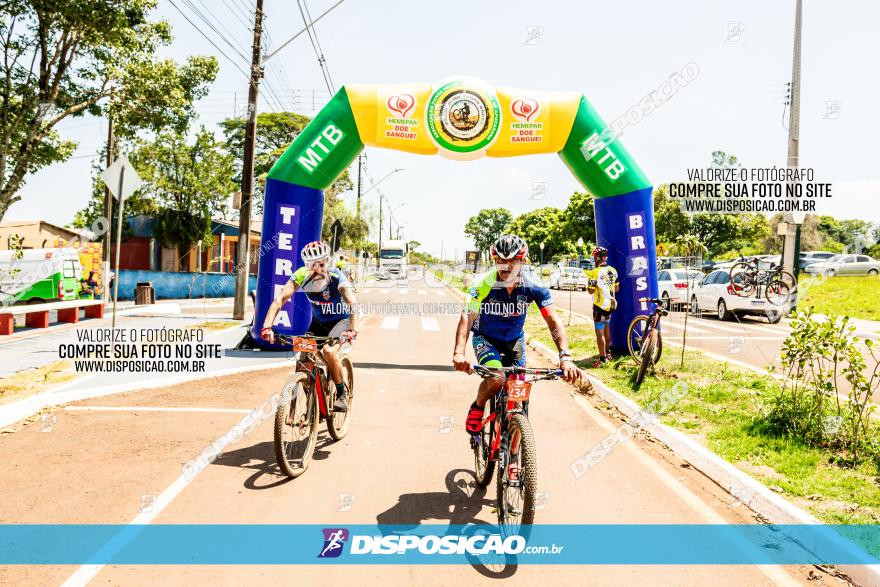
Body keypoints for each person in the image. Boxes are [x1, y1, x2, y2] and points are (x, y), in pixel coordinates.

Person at [452, 234, 582, 439]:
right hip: (486, 339)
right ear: (494, 261)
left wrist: (565, 357)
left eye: (513, 261)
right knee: (496, 380)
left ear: (523, 261)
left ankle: (514, 455)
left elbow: (553, 322)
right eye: (500, 261)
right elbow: (467, 318)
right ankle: (478, 406)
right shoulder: (483, 284)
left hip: (514, 341)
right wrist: (459, 352)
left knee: (518, 393)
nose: (506, 267)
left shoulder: (533, 285)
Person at [261, 240, 358, 412]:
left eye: (322, 263)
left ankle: (342, 394)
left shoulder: (336, 276)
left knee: (328, 352)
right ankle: (311, 395)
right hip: (319, 323)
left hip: (341, 322)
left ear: (327, 261)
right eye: (313, 265)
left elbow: (352, 303)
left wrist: (352, 329)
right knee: (304, 356)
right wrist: (267, 326)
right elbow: (280, 299)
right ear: (307, 265)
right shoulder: (300, 276)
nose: (318, 268)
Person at [585, 246, 619, 367]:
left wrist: (588, 283)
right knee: (607, 329)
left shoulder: (595, 272)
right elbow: (616, 288)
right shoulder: (613, 270)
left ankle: (602, 358)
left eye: (595, 257)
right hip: (610, 304)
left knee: (600, 333)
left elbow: (590, 290)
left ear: (598, 257)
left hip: (599, 306)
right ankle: (608, 353)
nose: (594, 259)